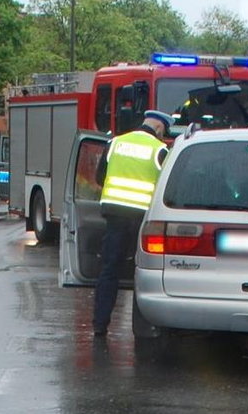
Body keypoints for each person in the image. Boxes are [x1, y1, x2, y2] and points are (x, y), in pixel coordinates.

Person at [92, 110, 174, 336]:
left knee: (109, 270)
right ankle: (143, 327)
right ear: (160, 128)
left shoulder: (115, 142)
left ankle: (100, 324)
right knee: (142, 270)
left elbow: (100, 178)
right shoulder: (160, 150)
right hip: (143, 218)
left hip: (114, 213)